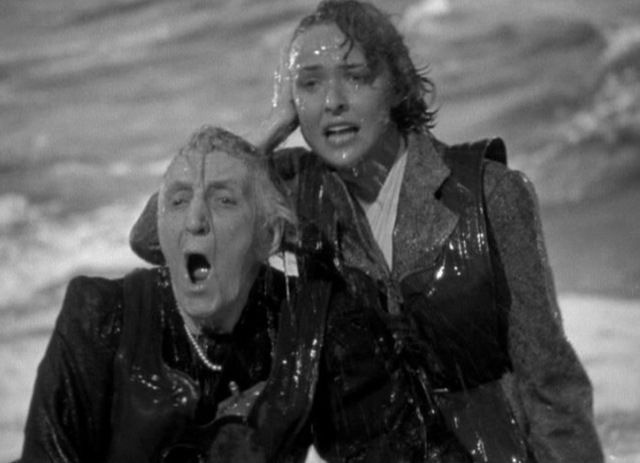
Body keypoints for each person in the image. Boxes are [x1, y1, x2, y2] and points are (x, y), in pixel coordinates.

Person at [131, 1, 604, 462]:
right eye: (310, 85)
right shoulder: (293, 195)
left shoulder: (490, 192)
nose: (333, 102)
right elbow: (154, 239)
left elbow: (552, 385)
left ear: (396, 85)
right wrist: (270, 127)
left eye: (355, 77)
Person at [17, 126, 295, 462]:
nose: (194, 220)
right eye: (178, 201)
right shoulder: (101, 317)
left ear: (269, 235)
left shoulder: (297, 322)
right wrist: (264, 134)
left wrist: (245, 162)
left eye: (224, 201)